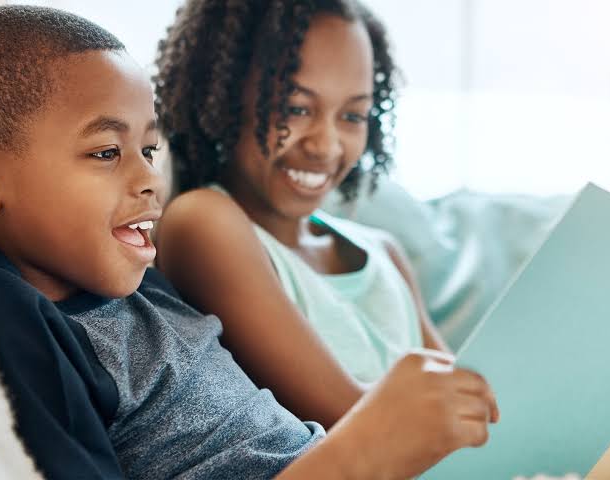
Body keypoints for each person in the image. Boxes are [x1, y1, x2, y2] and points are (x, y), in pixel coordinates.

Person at [0, 5, 498, 480]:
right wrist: (364, 451)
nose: (150, 178)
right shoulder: (7, 312)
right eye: (108, 152)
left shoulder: (140, 291)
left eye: (149, 149)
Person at [155, 0, 448, 427]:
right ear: (223, 96)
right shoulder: (203, 223)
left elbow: (473, 398)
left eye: (352, 115)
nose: (326, 146)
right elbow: (355, 423)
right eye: (296, 108)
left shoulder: (384, 252)